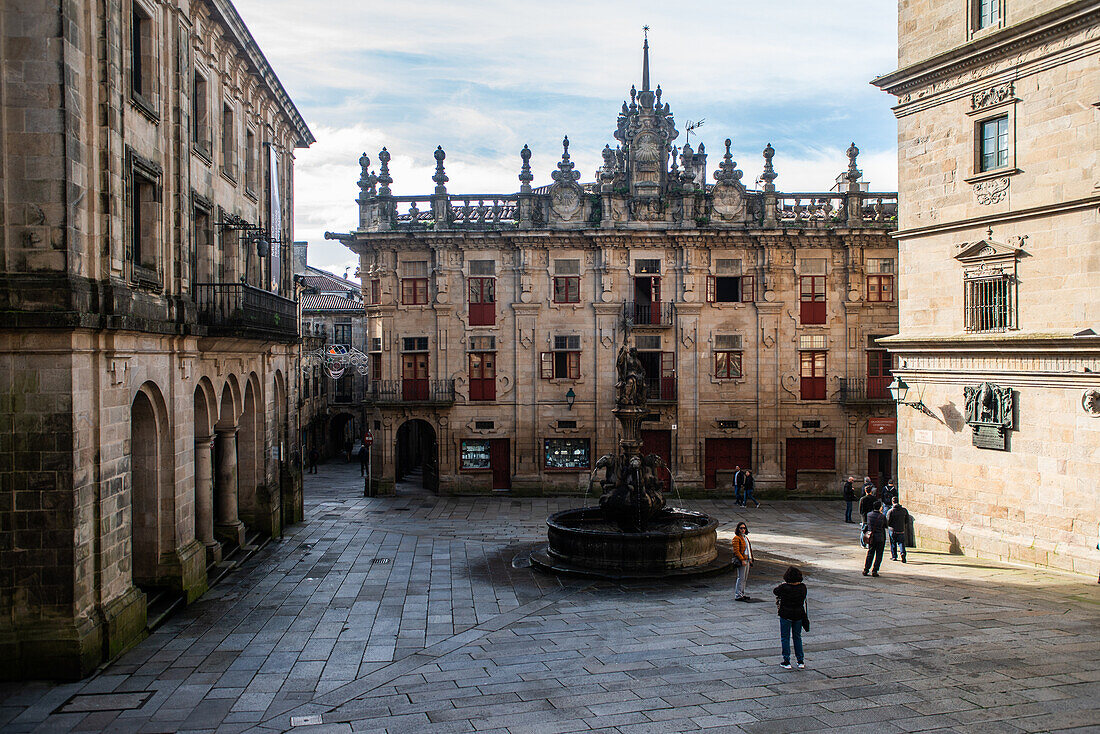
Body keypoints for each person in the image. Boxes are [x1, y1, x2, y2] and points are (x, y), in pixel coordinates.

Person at [773, 566, 808, 670]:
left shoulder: (784, 587)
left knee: (785, 637)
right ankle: (800, 660)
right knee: (797, 637)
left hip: (786, 615)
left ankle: (786, 660)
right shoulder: (803, 587)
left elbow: (775, 591)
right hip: (798, 615)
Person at [863, 500, 888, 576]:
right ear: (880, 507)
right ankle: (875, 570)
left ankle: (866, 569)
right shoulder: (882, 516)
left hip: (871, 537)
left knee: (870, 553)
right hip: (880, 537)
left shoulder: (869, 515)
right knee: (879, 554)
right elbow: (885, 525)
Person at [732, 522, 753, 601]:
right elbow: (736, 551)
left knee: (744, 578)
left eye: (744, 528)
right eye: (741, 528)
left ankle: (742, 593)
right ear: (738, 529)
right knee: (741, 577)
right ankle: (738, 594)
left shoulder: (745, 538)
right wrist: (742, 559)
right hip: (743, 560)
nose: (743, 530)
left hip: (747, 559)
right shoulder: (737, 538)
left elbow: (748, 550)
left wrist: (750, 559)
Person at [886, 497, 910, 562]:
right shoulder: (904, 510)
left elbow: (887, 521)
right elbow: (907, 520)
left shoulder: (890, 511)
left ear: (892, 502)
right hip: (901, 529)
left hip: (893, 530)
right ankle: (902, 553)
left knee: (893, 543)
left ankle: (894, 556)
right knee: (901, 543)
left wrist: (888, 526)